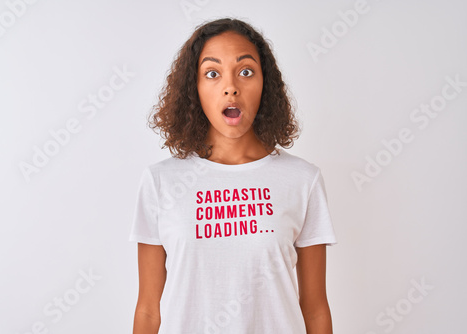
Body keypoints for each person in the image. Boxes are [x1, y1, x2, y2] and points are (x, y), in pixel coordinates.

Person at [130, 17, 338, 334]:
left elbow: (315, 308)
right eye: (212, 74)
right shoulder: (161, 182)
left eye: (245, 72)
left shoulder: (302, 180)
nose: (231, 87)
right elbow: (148, 310)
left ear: (264, 84)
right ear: (194, 88)